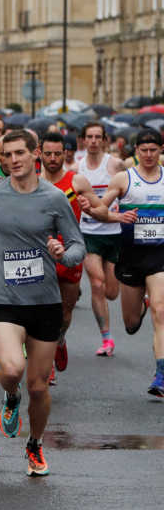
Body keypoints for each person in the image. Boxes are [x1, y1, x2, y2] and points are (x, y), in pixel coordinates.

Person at [0, 130, 85, 477]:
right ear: (1, 158)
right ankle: (10, 396)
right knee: (11, 370)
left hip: (44, 300)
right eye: (7, 154)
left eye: (20, 152)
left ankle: (34, 444)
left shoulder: (54, 198)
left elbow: (79, 244)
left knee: (38, 386)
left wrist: (64, 253)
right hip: (4, 298)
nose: (14, 160)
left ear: (35, 154)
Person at [95, 129, 164, 397]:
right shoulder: (124, 179)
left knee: (161, 311)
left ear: (160, 150)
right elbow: (101, 209)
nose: (148, 155)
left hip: (160, 255)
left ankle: (161, 374)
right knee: (131, 324)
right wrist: (116, 218)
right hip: (131, 257)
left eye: (153, 150)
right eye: (143, 150)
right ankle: (142, 304)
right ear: (135, 151)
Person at [39, 132, 105, 383]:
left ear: (65, 153)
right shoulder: (30, 181)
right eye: (48, 153)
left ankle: (59, 340)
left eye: (58, 153)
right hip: (40, 254)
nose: (54, 158)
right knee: (42, 311)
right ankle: (46, 363)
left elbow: (101, 209)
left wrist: (90, 208)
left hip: (70, 254)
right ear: (40, 153)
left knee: (65, 313)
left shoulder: (76, 181)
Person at [75, 123, 126, 356]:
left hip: (114, 232)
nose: (94, 141)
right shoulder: (78, 169)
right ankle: (107, 339)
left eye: (98, 137)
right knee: (97, 283)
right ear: (83, 140)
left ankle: (140, 300)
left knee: (112, 292)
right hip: (89, 233)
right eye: (90, 137)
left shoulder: (115, 165)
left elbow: (130, 188)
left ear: (104, 140)